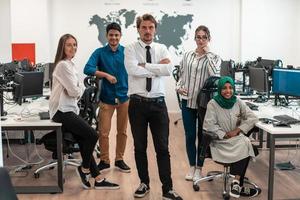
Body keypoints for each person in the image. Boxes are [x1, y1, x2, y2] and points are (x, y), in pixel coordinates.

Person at [49, 33, 119, 190]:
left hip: (69, 109)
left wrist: (76, 88)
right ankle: (84, 169)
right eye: (69, 44)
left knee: (83, 139)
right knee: (93, 135)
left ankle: (98, 179)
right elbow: (75, 91)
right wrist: (76, 89)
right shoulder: (62, 65)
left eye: (75, 45)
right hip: (61, 111)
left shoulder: (70, 65)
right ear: (62, 47)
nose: (73, 47)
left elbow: (77, 89)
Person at [124, 14, 182, 200]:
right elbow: (132, 70)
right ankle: (144, 183)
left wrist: (146, 65)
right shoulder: (130, 49)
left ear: (155, 29)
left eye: (151, 27)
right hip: (137, 104)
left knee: (162, 148)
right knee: (140, 147)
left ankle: (168, 189)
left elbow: (168, 70)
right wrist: (157, 67)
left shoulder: (162, 48)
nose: (147, 31)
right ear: (138, 29)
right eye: (144, 27)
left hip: (158, 104)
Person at [176, 25, 221, 182]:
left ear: (209, 39)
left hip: (204, 104)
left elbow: (215, 74)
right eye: (198, 37)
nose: (200, 40)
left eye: (204, 37)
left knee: (203, 137)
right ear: (194, 38)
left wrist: (207, 53)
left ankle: (199, 169)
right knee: (189, 135)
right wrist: (178, 87)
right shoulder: (187, 55)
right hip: (187, 101)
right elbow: (181, 75)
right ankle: (191, 166)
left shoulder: (214, 57)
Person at [84, 22, 130, 173]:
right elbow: (87, 68)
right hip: (106, 99)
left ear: (120, 36)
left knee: (122, 131)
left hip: (124, 98)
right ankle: (104, 160)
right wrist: (105, 75)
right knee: (103, 132)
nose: (114, 38)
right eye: (111, 35)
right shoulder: (99, 52)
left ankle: (119, 159)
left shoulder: (127, 52)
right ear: (107, 36)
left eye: (116, 35)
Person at [203, 76, 260, 198]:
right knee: (246, 143)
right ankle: (238, 185)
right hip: (219, 142)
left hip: (236, 139)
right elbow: (209, 126)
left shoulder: (237, 101)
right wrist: (224, 134)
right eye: (224, 88)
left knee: (245, 142)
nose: (228, 91)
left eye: (230, 88)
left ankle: (235, 183)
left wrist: (237, 130)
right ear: (219, 89)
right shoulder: (213, 104)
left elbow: (253, 118)